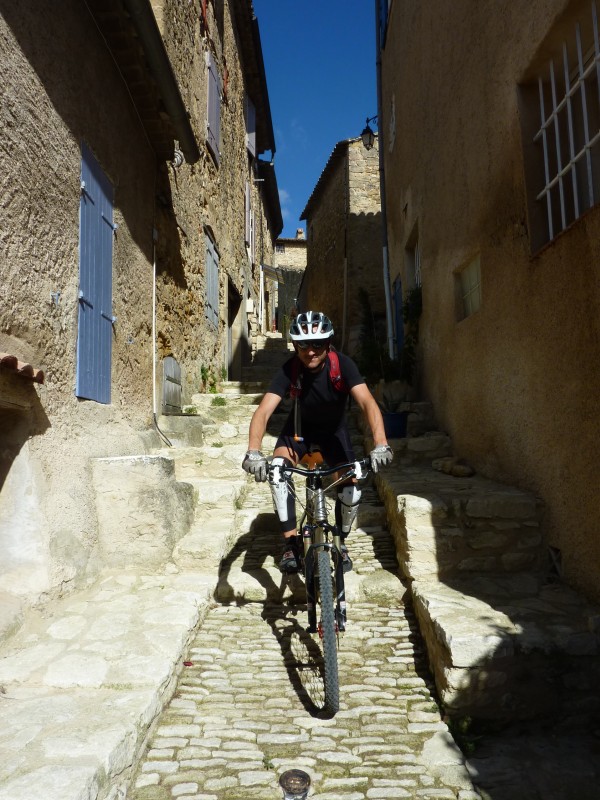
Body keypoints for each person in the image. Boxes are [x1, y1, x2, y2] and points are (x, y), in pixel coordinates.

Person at [242, 310, 393, 574]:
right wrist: (253, 452)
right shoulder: (290, 369)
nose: (310, 351)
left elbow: (368, 402)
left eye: (317, 344)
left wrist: (381, 444)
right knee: (277, 475)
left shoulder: (343, 365)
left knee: (352, 490)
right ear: (294, 345)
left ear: (328, 343)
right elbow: (263, 410)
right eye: (303, 344)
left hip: (334, 435)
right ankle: (291, 543)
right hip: (298, 433)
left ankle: (341, 542)